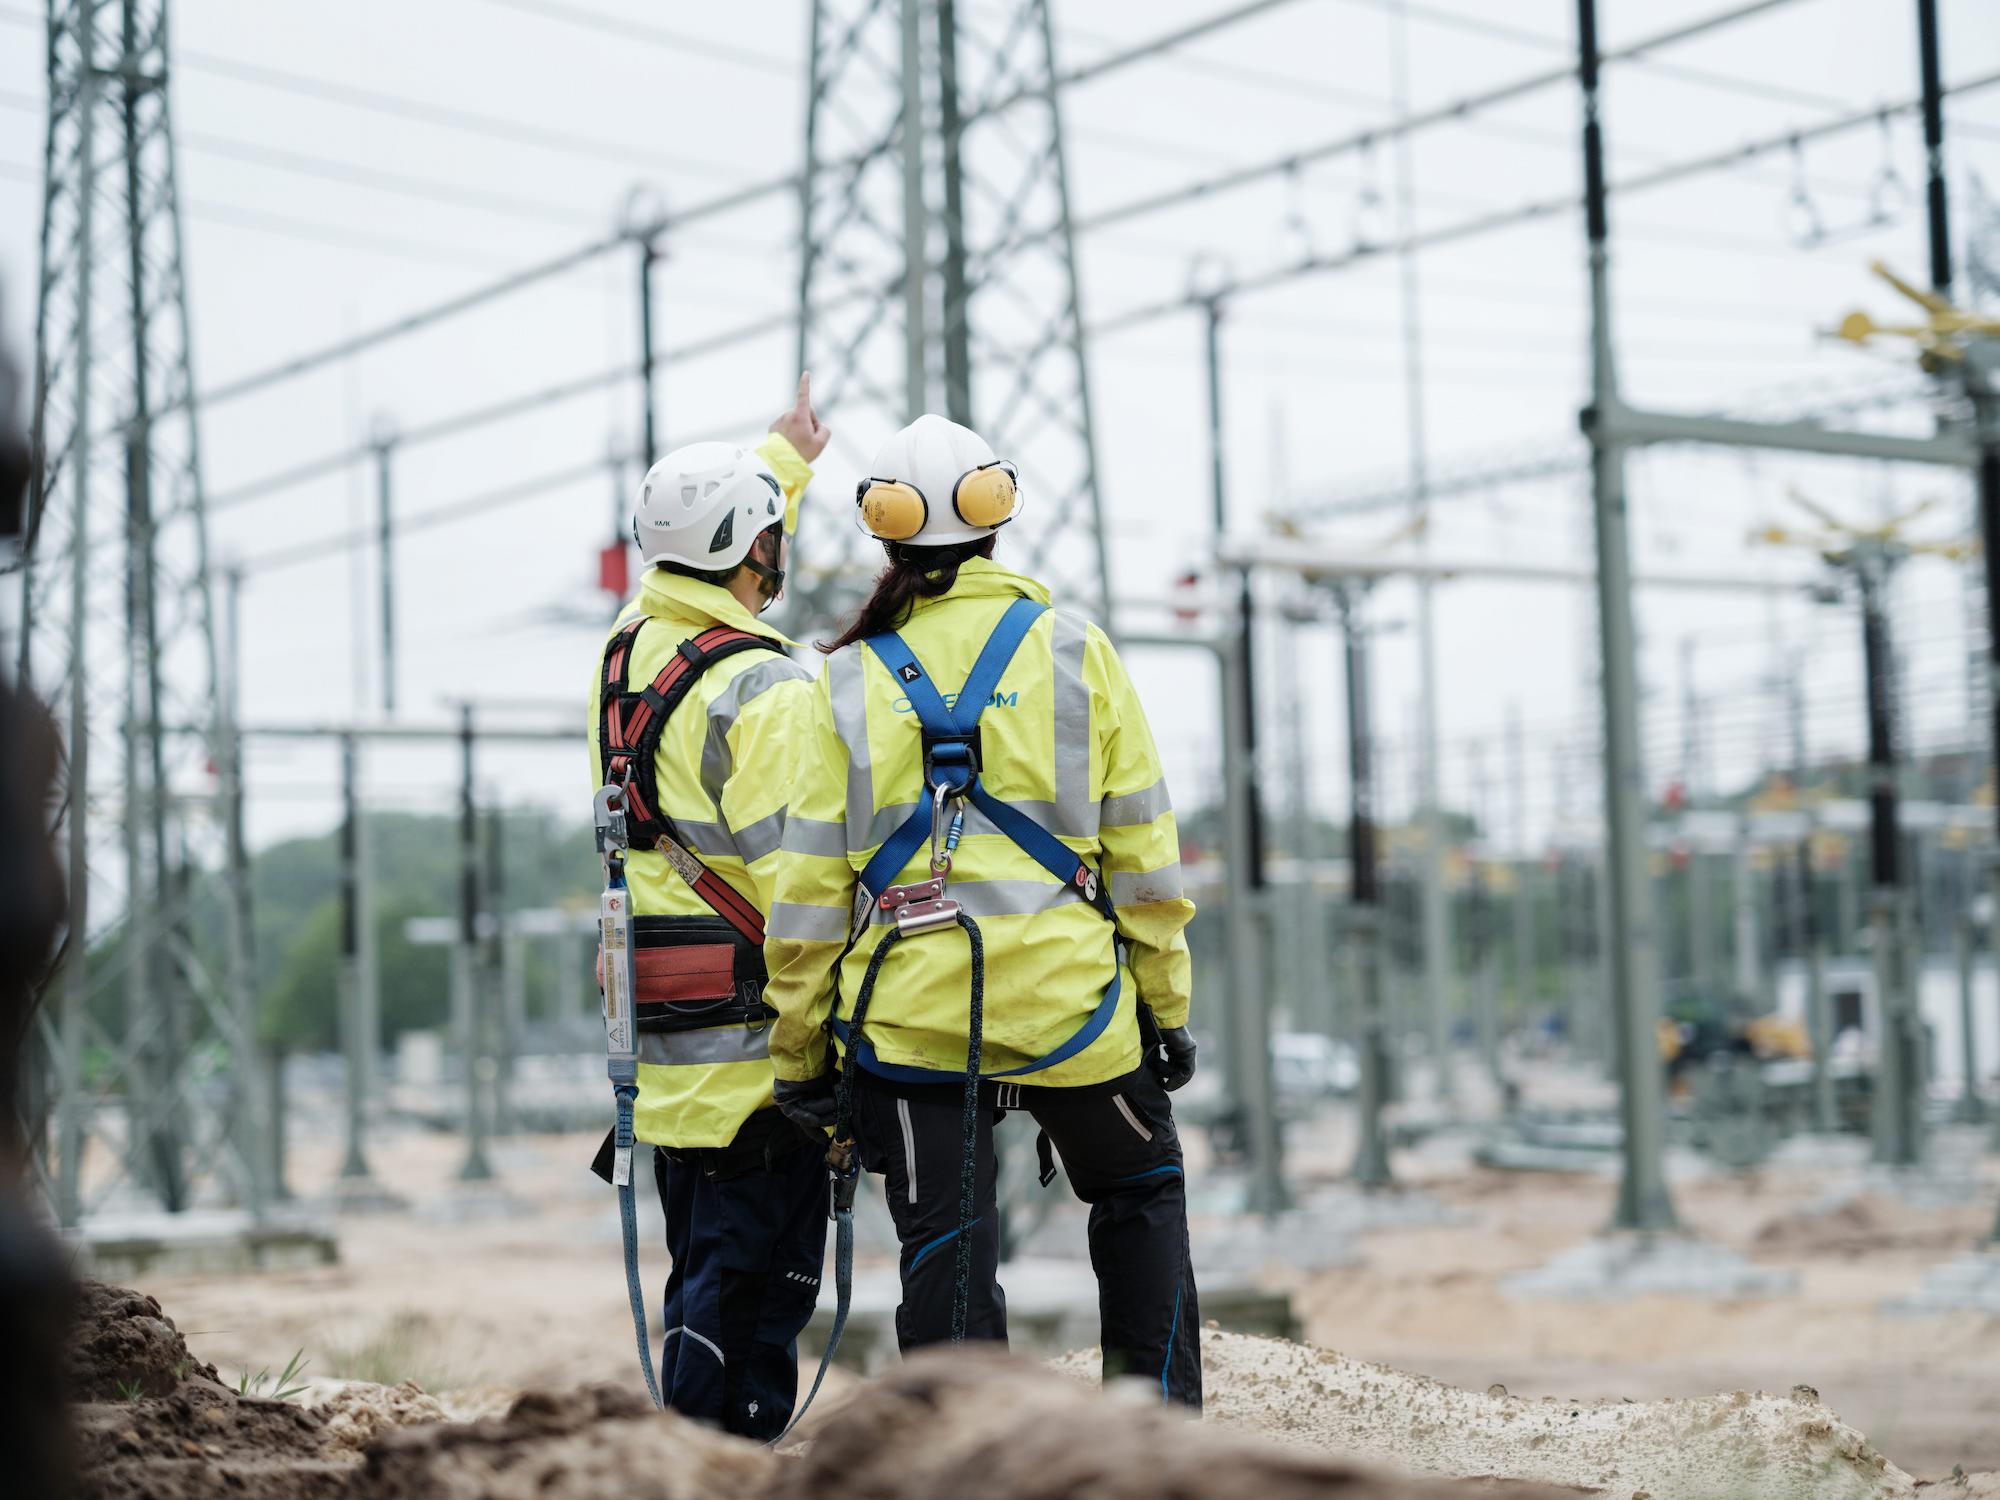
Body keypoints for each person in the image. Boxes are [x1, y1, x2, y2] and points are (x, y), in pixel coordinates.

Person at [762, 412, 1202, 1406]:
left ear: (883, 533)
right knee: (1138, 1197)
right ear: (998, 518)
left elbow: (805, 902)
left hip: (912, 1028)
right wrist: (1163, 1009)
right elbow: (1145, 858)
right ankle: (1164, 1444)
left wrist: (801, 1059)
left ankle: (965, 1456)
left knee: (945, 1251)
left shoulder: (840, 679)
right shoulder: (1073, 652)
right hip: (1076, 1016)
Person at [588, 373, 831, 1438]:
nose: (780, 549)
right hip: (755, 1066)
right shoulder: (763, 689)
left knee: (706, 1281)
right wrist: (823, 1056)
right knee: (746, 1315)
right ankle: (703, 1471)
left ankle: (692, 1457)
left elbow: (695, 562)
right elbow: (801, 891)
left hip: (669, 1055)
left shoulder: (628, 647)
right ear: (749, 551)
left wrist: (779, 465)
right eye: (769, 533)